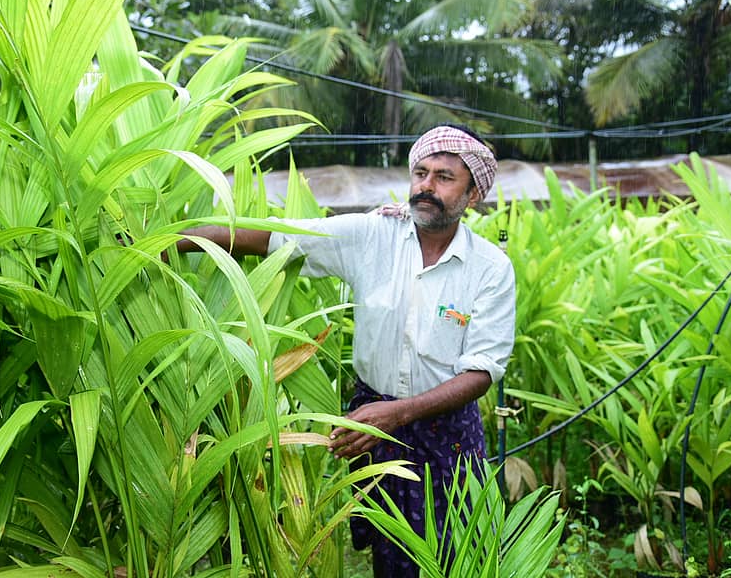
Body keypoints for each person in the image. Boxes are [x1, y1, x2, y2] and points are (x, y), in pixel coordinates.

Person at [173, 125, 516, 577]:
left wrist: (398, 414)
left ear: (472, 195)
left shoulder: (490, 269)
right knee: (391, 552)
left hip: (445, 432)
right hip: (372, 418)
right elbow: (272, 238)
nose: (426, 186)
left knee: (455, 553)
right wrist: (176, 242)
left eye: (444, 177)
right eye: (420, 173)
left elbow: (481, 373)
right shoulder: (374, 235)